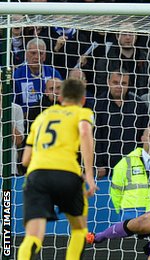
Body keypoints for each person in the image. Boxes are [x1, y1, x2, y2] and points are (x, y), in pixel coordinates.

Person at [17, 78, 97, 260]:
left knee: (33, 236)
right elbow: (85, 132)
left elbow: (25, 160)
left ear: (60, 98)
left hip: (37, 176)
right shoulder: (82, 112)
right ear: (83, 99)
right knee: (79, 229)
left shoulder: (41, 117)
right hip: (67, 174)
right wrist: (89, 176)